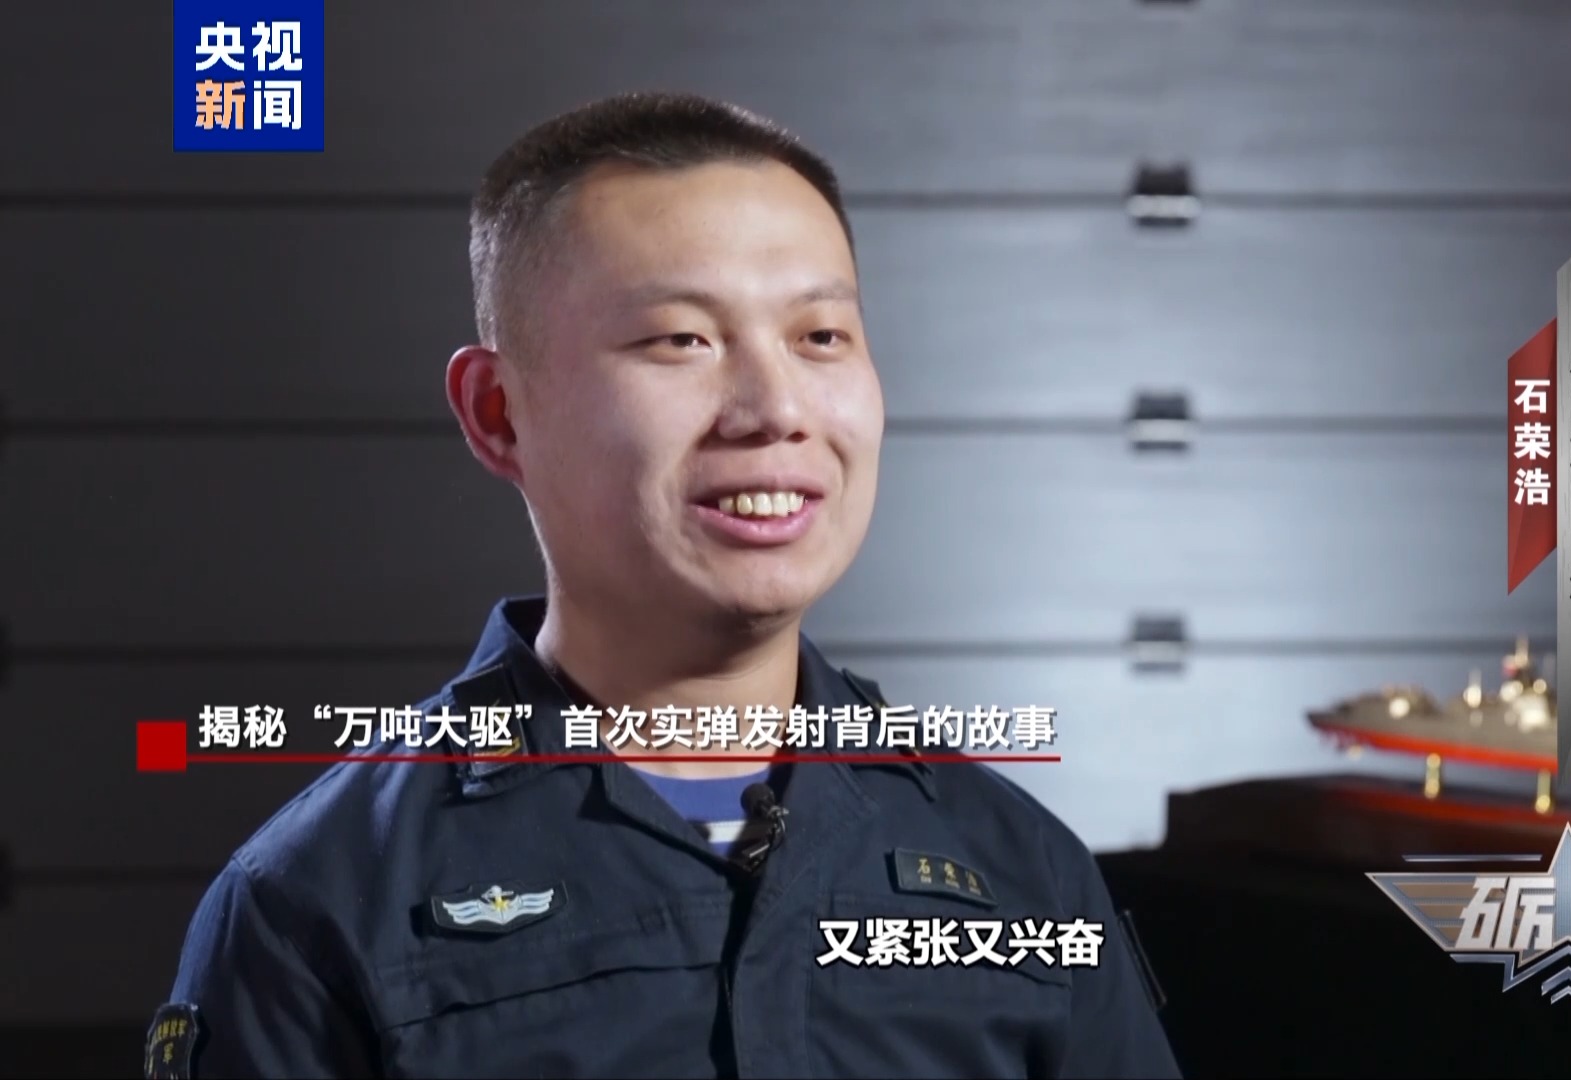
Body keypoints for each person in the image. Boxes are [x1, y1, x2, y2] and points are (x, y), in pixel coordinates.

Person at [144, 91, 1182, 1080]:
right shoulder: (315, 903)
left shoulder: (1019, 865)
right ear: (499, 413)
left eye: (820, 337)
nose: (776, 408)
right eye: (681, 339)